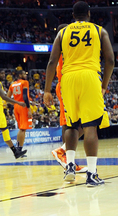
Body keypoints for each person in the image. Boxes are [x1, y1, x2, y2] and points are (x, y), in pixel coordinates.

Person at [44, 1, 114, 186]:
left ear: (73, 16)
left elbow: (52, 62)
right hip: (90, 76)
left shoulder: (62, 32)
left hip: (68, 79)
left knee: (71, 125)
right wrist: (104, 85)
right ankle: (91, 173)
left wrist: (46, 90)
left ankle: (69, 167)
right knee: (90, 126)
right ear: (89, 14)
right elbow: (110, 59)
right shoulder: (100, 31)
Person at [50, 24, 87, 173]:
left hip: (68, 85)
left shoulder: (62, 46)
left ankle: (68, 159)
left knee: (72, 123)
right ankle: (64, 153)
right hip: (67, 85)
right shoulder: (65, 46)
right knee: (79, 122)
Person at [7, 70, 32, 157]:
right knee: (22, 129)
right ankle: (19, 150)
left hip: (16, 107)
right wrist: (28, 109)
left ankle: (18, 149)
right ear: (20, 75)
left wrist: (14, 104)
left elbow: (7, 98)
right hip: (23, 105)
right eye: (24, 73)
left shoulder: (12, 84)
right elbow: (25, 96)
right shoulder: (24, 82)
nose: (25, 75)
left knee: (21, 128)